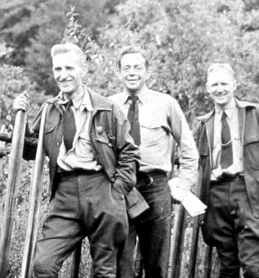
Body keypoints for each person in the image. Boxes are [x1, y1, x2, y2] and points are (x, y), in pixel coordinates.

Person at [13, 43, 141, 277]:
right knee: (44, 264)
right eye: (57, 69)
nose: (63, 75)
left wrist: (118, 191)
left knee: (105, 270)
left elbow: (129, 152)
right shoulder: (50, 109)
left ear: (83, 69)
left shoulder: (107, 108)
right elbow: (30, 151)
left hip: (102, 189)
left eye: (69, 68)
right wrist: (21, 122)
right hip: (66, 192)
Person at [109, 45, 198, 278]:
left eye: (137, 67)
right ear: (119, 72)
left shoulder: (165, 103)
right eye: (126, 68)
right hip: (122, 188)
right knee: (121, 259)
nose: (132, 72)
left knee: (156, 261)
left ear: (147, 71)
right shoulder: (110, 105)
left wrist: (186, 183)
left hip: (155, 187)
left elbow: (188, 146)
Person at [195, 62, 259, 278]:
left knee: (253, 265)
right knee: (227, 265)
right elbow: (197, 164)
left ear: (234, 85)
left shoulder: (253, 114)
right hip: (216, 195)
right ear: (207, 87)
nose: (219, 89)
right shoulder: (204, 124)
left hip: (247, 191)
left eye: (224, 83)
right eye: (214, 84)